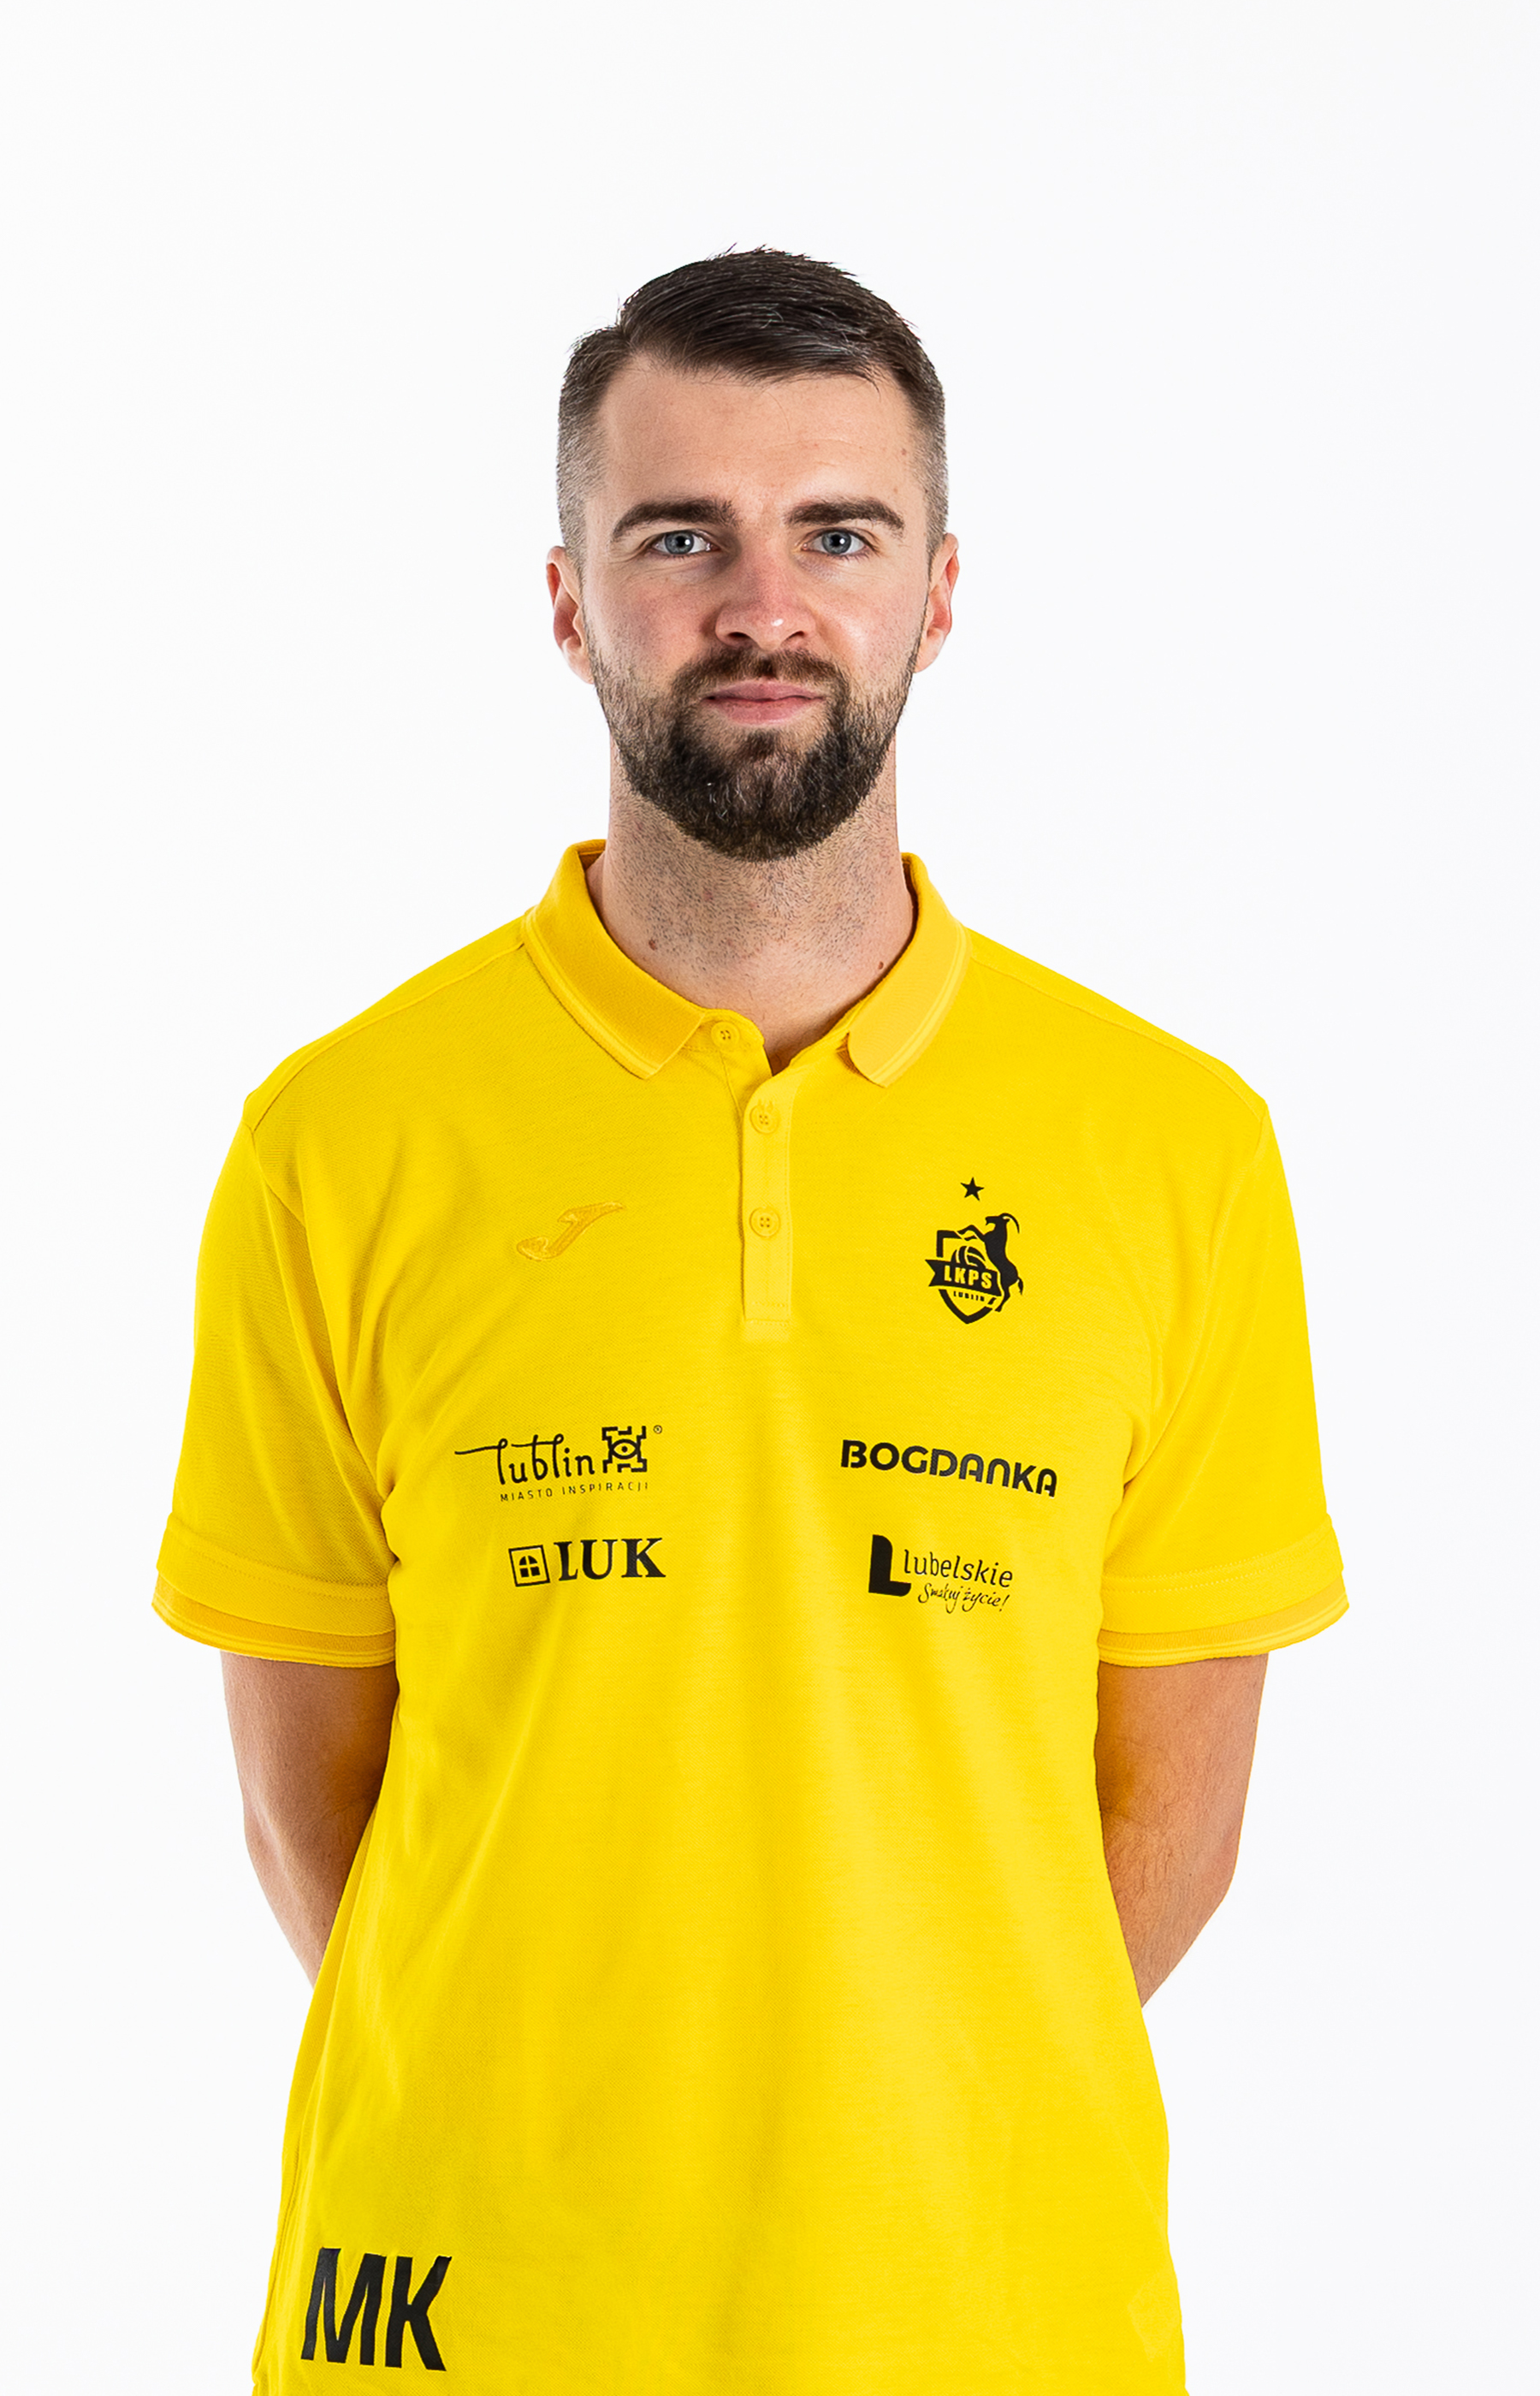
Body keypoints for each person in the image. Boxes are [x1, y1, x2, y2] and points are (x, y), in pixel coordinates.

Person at [155, 249, 1347, 2393]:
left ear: (940, 592)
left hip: (992, 2323)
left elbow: (1167, 1822)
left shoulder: (1175, 1151)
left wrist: (898, 2124)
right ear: (569, 599)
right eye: (681, 535)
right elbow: (304, 1804)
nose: (763, 605)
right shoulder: (338, 1141)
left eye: (840, 535)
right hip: (461, 2318)